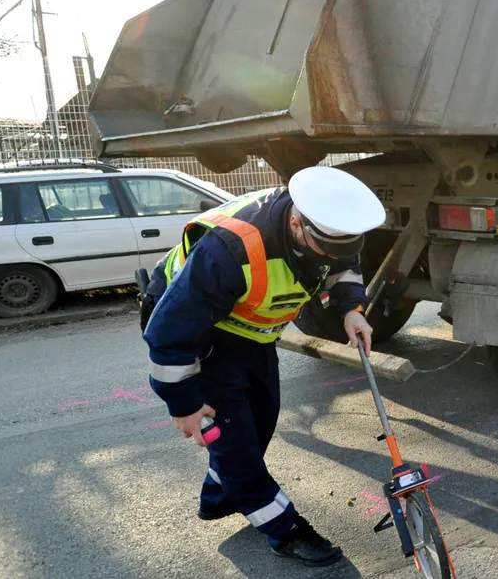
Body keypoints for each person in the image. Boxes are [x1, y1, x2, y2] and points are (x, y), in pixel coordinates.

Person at [140, 165, 386, 567]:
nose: (333, 255)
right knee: (235, 441)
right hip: (200, 335)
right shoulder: (230, 249)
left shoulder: (328, 228)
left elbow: (342, 262)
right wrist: (183, 405)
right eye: (325, 248)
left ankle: (218, 498)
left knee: (259, 422)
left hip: (252, 335)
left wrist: (351, 309)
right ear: (296, 224)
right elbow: (169, 335)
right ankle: (285, 530)